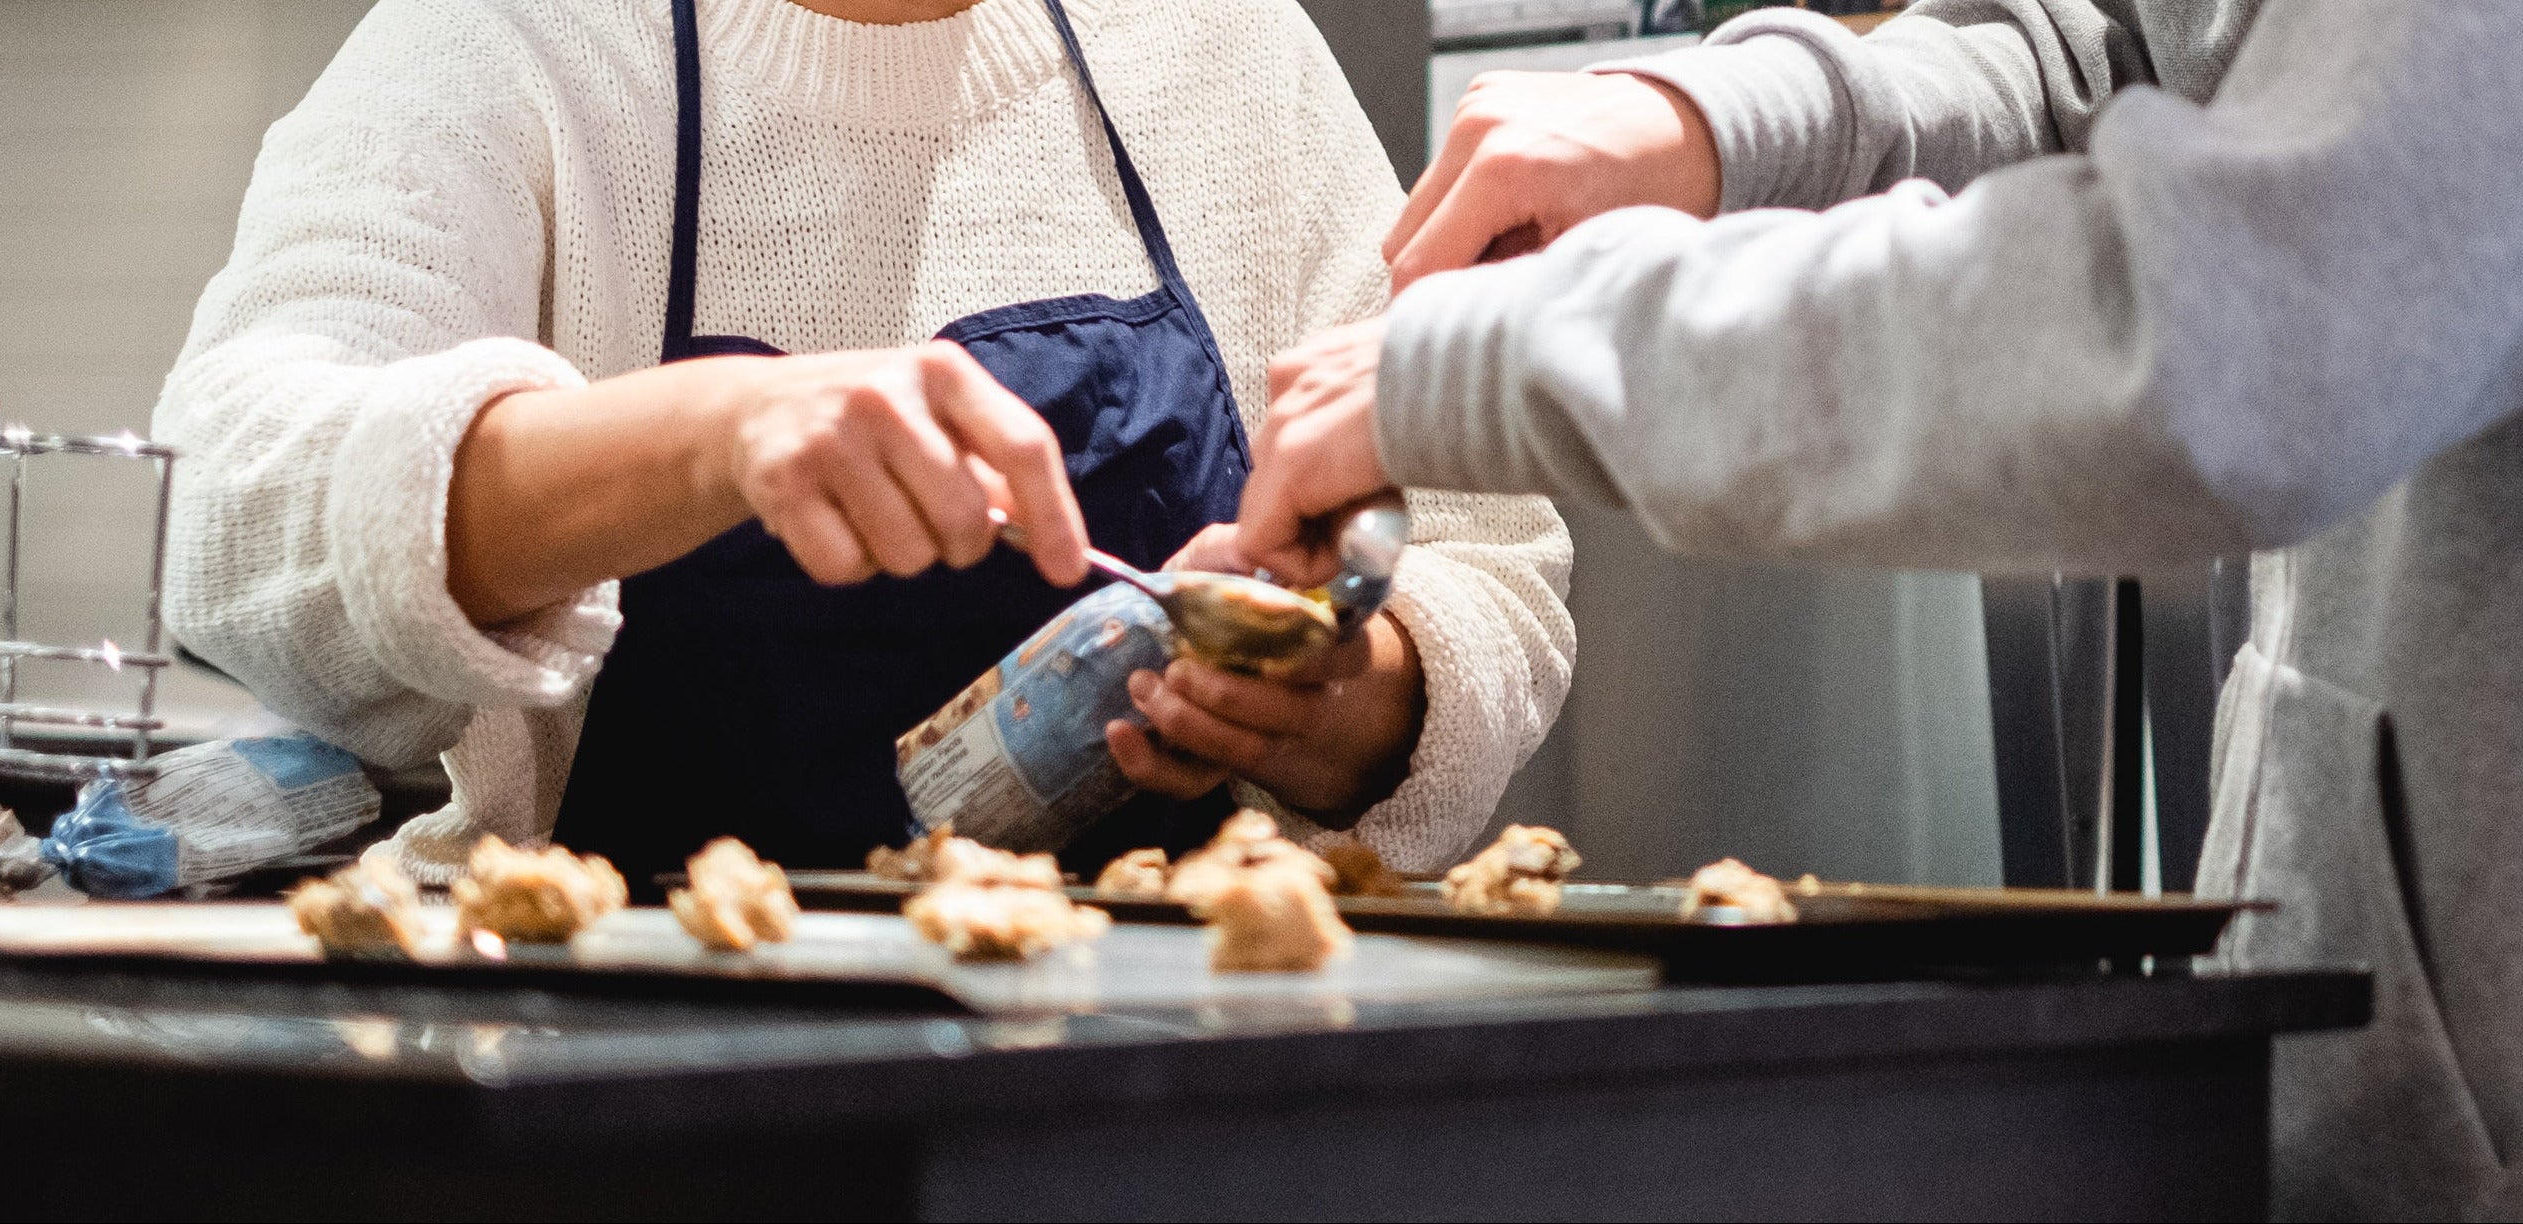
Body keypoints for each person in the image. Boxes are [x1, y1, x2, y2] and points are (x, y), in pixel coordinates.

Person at [1234, 2, 2523, 1219]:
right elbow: (2165, 36)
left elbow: (2256, 326)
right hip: (2440, 1095)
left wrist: (1524, 354)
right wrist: (1718, 114)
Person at [151, 0, 1575, 884]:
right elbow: (228, 512)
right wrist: (708, 435)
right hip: (615, 1089)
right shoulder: (509, 40)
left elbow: (1480, 558)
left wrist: (1349, 701)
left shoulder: (1224, 50)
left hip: (1140, 1090)